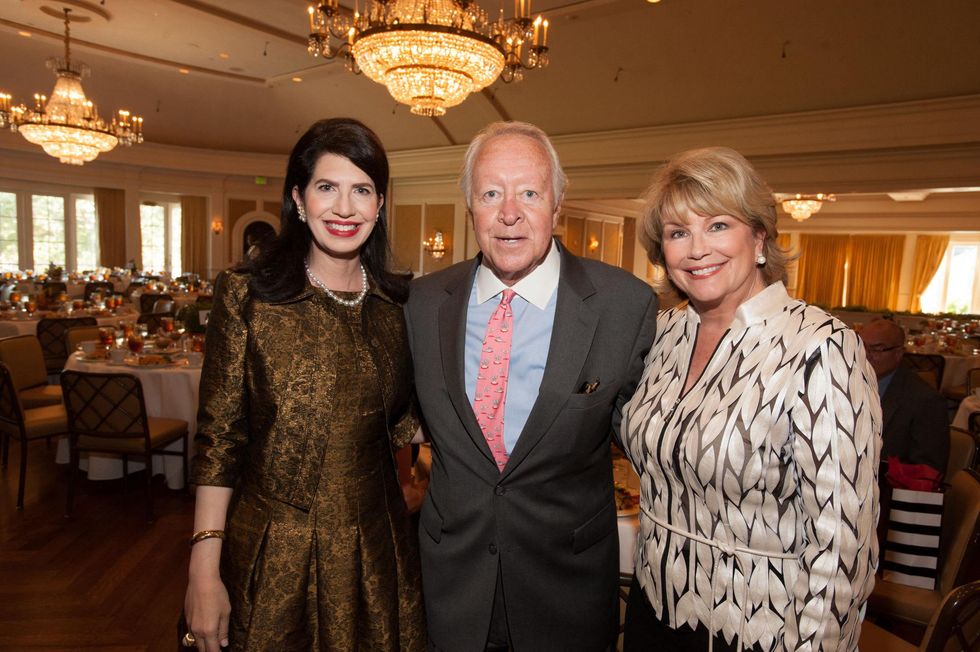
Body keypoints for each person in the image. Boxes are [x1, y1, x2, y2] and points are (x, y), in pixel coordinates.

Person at [404, 121, 658, 651]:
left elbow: (656, 441)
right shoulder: (421, 304)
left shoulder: (623, 306)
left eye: (529, 193)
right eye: (491, 193)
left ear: (558, 203)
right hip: (452, 583)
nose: (509, 213)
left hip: (566, 586)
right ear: (470, 206)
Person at [621, 147, 881, 652]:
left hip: (759, 627)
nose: (696, 249)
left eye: (718, 225)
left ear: (759, 236)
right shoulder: (664, 333)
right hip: (653, 607)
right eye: (677, 233)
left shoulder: (819, 347)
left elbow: (842, 542)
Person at [184, 118, 425, 652]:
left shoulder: (402, 307)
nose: (344, 208)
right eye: (326, 187)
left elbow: (406, 428)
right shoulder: (247, 296)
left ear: (380, 204)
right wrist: (204, 566)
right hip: (273, 552)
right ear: (297, 198)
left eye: (361, 190)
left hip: (377, 553)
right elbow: (219, 440)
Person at [859, 318, 948, 476]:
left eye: (876, 349)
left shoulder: (925, 401)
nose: (866, 355)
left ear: (898, 354)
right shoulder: (847, 384)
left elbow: (927, 470)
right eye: (861, 347)